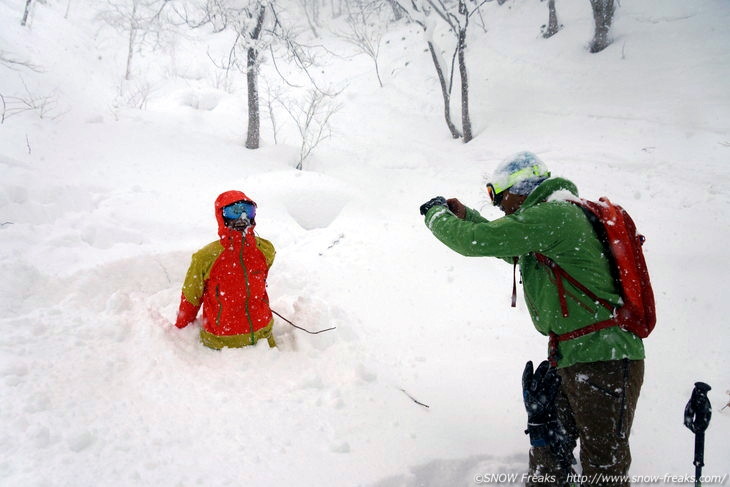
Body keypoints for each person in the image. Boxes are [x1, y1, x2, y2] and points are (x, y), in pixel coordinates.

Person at [419, 152, 645, 486]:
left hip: (603, 358)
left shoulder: (555, 215)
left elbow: (475, 242)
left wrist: (435, 214)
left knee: (603, 467)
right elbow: (508, 245)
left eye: (501, 197)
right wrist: (466, 215)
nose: (500, 207)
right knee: (549, 445)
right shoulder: (549, 218)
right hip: (573, 356)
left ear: (521, 188)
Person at [174, 190, 277, 350]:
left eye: (248, 210)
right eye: (234, 211)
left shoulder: (265, 249)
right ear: (222, 216)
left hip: (263, 337)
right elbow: (191, 296)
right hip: (221, 346)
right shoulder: (206, 257)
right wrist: (182, 330)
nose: (242, 217)